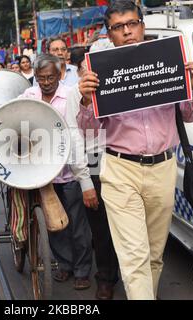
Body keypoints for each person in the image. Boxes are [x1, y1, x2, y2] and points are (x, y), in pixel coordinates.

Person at [77, 0, 193, 300]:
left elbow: (188, 115)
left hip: (163, 168)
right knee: (134, 258)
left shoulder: (167, 60)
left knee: (153, 255)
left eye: (132, 24)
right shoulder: (100, 72)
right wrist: (85, 101)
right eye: (118, 27)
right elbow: (88, 130)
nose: (127, 32)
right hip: (121, 170)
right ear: (109, 35)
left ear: (142, 27)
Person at [20, 54, 99, 290]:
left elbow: (78, 136)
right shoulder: (28, 96)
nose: (46, 82)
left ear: (59, 74)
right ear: (36, 77)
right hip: (43, 175)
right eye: (41, 78)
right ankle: (65, 265)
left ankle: (83, 270)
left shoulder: (71, 95)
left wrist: (86, 179)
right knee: (55, 225)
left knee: (78, 226)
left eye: (51, 77)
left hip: (70, 172)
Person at [67, 47, 120, 300]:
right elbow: (76, 138)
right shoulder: (73, 95)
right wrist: (86, 180)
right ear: (80, 71)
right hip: (95, 157)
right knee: (101, 228)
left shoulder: (122, 87)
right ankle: (106, 278)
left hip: (125, 157)